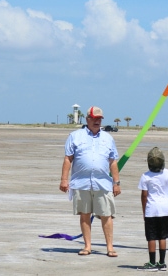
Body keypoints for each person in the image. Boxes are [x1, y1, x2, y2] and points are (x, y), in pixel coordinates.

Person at [59, 106, 121, 257]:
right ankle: (87, 246)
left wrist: (116, 182)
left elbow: (113, 162)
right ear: (87, 119)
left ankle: (110, 247)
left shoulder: (108, 138)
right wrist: (64, 180)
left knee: (107, 215)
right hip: (81, 183)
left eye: (99, 119)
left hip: (103, 183)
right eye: (94, 118)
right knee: (85, 215)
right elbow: (68, 159)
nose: (97, 121)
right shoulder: (75, 136)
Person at [138, 147, 168, 271]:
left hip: (151, 209)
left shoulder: (145, 176)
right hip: (165, 209)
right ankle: (162, 262)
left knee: (151, 237)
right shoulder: (167, 173)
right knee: (162, 236)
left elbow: (144, 195)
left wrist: (144, 211)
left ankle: (152, 263)